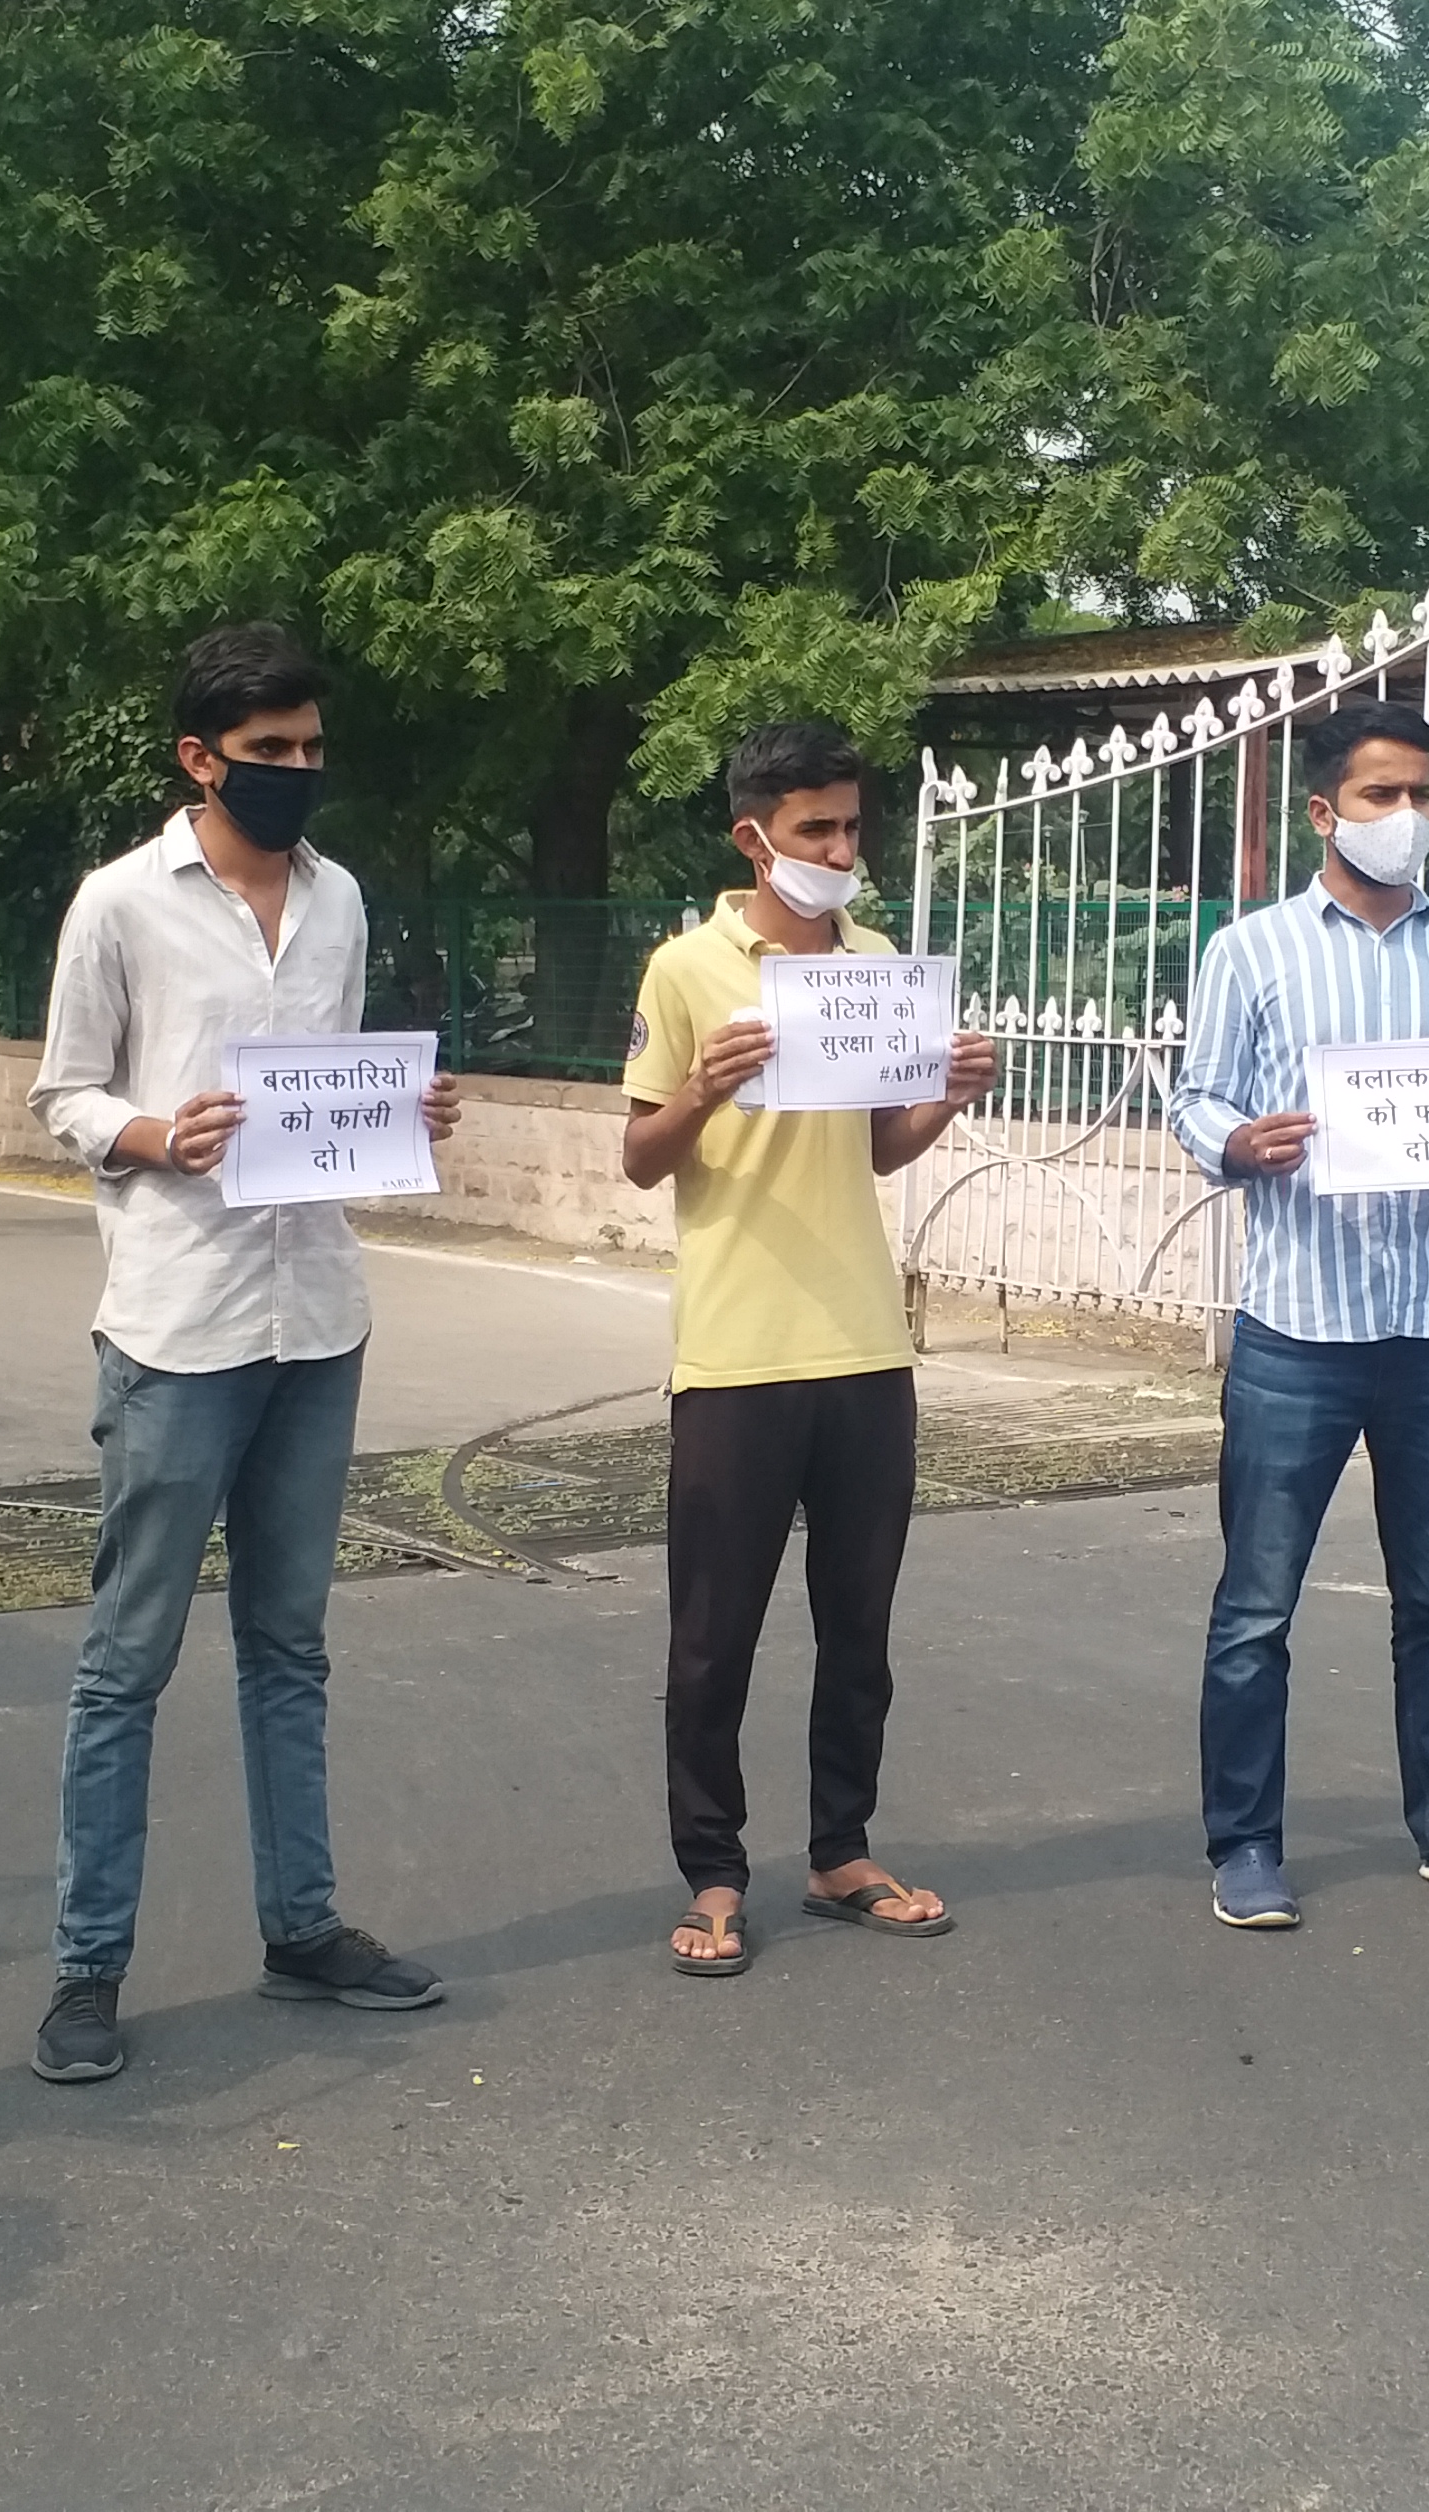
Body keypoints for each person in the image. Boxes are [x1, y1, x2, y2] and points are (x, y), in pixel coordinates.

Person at [22, 622, 463, 2078]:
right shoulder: (120, 905)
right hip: (178, 1324)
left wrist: (403, 1118)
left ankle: (303, 1927)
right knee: (125, 1662)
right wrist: (157, 1130)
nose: (294, 773)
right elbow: (66, 1093)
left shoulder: (337, 903)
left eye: (310, 750)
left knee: (290, 1645)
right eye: (267, 752)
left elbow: (322, 1093)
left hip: (316, 1315)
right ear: (199, 758)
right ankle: (89, 1968)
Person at [1168, 697, 1429, 1931]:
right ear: (1324, 809)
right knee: (1256, 1611)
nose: (1407, 818)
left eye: (1422, 796)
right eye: (1383, 795)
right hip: (1299, 1330)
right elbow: (1195, 1099)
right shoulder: (1253, 952)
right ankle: (1244, 1844)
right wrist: (1237, 1139)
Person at [619, 721, 1002, 1972]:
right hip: (736, 1351)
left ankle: (842, 1847)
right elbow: (639, 1159)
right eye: (815, 831)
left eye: (851, 827)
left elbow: (878, 1146)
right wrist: (703, 1091)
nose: (840, 851)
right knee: (714, 1631)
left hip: (863, 1343)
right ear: (754, 838)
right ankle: (713, 1872)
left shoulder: (878, 963)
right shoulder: (686, 971)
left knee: (861, 1621)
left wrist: (949, 1092)